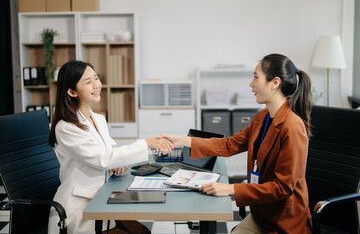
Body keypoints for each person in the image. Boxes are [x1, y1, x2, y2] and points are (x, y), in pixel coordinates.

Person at [162, 54, 313, 233]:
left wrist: (231, 188)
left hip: (284, 222)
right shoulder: (262, 118)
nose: (251, 84)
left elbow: (283, 188)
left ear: (275, 83)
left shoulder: (293, 127)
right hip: (263, 214)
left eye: (256, 77)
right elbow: (229, 145)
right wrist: (183, 140)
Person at [48, 60, 174, 234]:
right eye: (88, 81)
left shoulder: (98, 119)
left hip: (104, 198)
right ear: (71, 91)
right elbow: (103, 159)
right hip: (81, 207)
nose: (96, 85)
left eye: (96, 78)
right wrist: (146, 144)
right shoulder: (66, 128)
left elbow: (111, 155)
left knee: (143, 232)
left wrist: (118, 166)